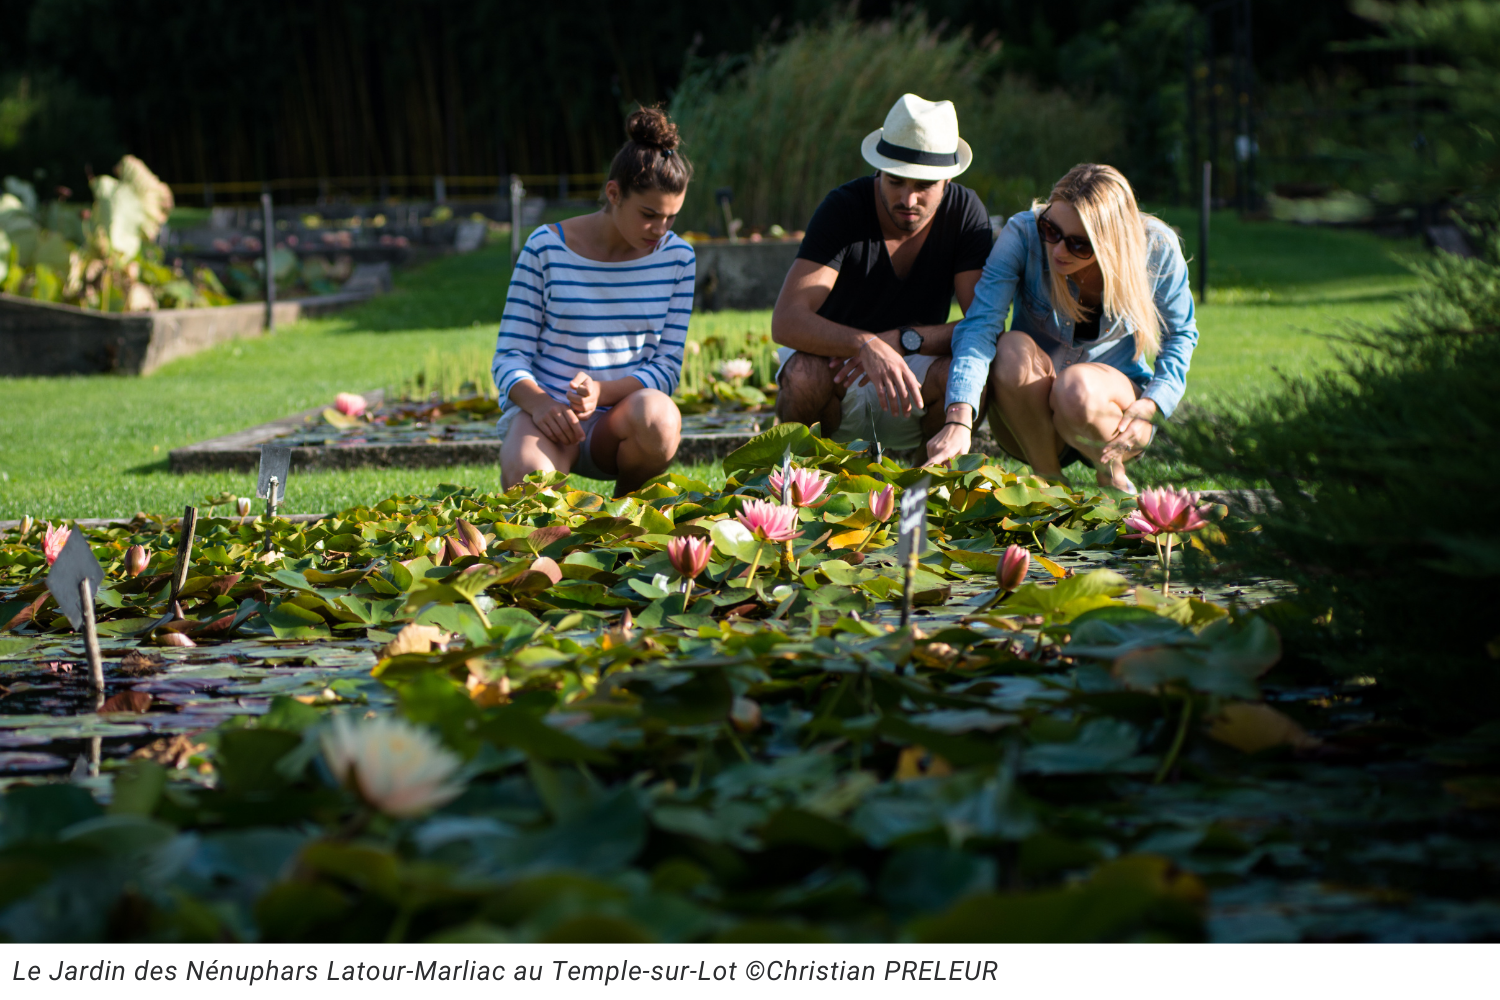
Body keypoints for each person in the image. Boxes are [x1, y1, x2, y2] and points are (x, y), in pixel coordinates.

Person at [927, 163, 1199, 492]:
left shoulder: (1155, 248)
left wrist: (1152, 404)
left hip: (1108, 418)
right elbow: (979, 326)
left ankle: (1110, 474)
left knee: (1075, 387)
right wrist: (959, 416)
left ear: (1111, 243)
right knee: (1009, 347)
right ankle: (1049, 482)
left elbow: (1180, 336)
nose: (1057, 250)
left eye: (1078, 244)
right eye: (1051, 230)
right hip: (1027, 419)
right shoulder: (1023, 233)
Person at [771, 93, 994, 458]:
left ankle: (925, 486)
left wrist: (903, 340)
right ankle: (806, 483)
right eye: (896, 181)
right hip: (839, 377)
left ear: (948, 178)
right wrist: (865, 344)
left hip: (916, 380)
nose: (908, 199)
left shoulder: (965, 213)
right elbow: (786, 321)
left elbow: (984, 324)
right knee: (801, 375)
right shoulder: (843, 208)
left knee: (970, 375)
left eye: (924, 186)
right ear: (879, 170)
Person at [492, 108, 694, 496]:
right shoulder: (545, 247)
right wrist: (539, 405)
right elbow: (509, 355)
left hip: (619, 424)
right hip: (546, 420)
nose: (661, 230)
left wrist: (603, 392)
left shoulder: (678, 258)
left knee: (661, 419)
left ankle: (623, 519)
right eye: (650, 214)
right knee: (531, 488)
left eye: (671, 218)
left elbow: (667, 367)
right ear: (614, 193)